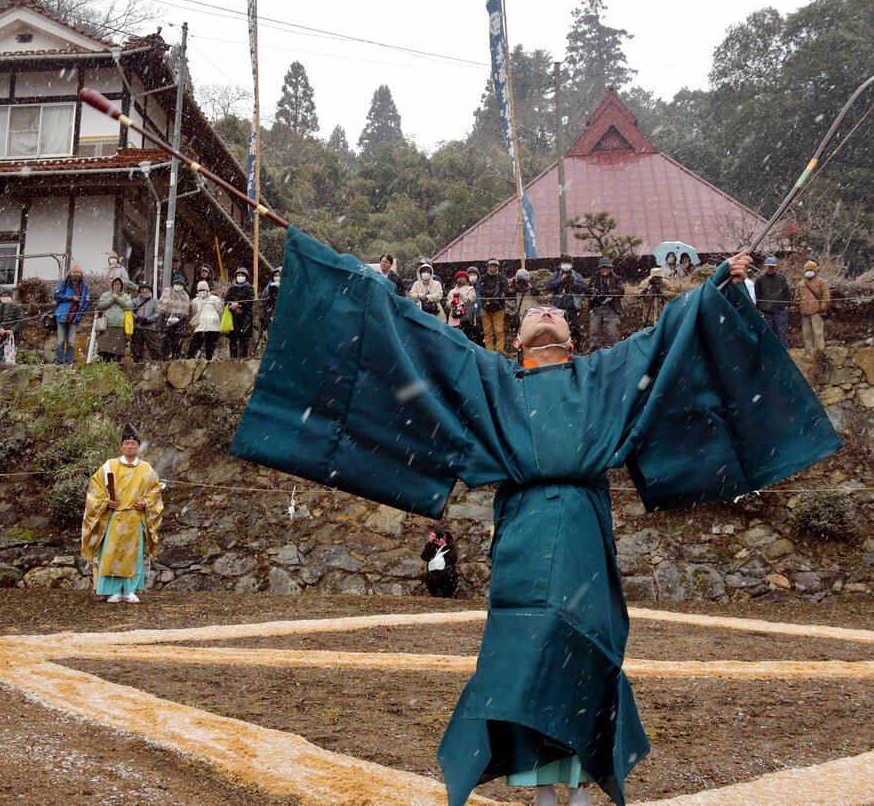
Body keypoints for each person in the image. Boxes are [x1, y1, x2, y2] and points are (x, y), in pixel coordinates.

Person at [230, 228, 840, 806]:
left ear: (574, 337)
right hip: (521, 528)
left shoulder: (603, 375)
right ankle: (545, 789)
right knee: (524, 656)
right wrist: (345, 279)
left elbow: (668, 337)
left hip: (579, 525)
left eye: (555, 313)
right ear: (513, 340)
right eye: (532, 314)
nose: (545, 313)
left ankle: (573, 786)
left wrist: (715, 289)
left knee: (577, 653)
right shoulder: (489, 379)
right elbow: (410, 335)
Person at [80, 424, 163, 604]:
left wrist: (146, 502)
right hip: (114, 517)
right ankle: (112, 591)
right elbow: (95, 488)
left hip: (135, 517)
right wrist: (105, 501)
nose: (130, 446)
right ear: (121, 447)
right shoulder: (109, 466)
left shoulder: (146, 469)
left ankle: (130, 590)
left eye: (133, 443)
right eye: (127, 443)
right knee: (111, 554)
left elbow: (155, 491)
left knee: (133, 555)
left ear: (138, 447)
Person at [53, 263, 90, 365]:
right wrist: (71, 298)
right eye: (74, 272)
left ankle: (69, 363)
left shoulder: (84, 286)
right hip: (62, 315)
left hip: (75, 317)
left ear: (81, 273)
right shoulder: (63, 283)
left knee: (71, 342)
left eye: (78, 272)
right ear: (70, 273)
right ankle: (59, 362)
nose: (76, 274)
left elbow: (87, 300)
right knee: (60, 341)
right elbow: (56, 296)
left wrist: (82, 309)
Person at [587, 257, 623, 351]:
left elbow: (621, 291)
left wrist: (608, 292)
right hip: (596, 308)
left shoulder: (616, 278)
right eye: (603, 267)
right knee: (594, 331)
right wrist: (589, 292)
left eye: (607, 267)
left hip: (611, 308)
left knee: (613, 332)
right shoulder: (594, 278)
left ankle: (616, 351)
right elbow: (588, 292)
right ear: (599, 268)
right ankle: (593, 352)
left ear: (611, 268)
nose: (605, 269)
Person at [794, 261, 830, 353]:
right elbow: (796, 298)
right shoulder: (800, 284)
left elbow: (826, 296)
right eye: (807, 270)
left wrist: (822, 308)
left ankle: (820, 353)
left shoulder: (821, 282)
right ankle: (809, 352)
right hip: (804, 312)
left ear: (815, 271)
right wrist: (799, 307)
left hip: (817, 312)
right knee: (806, 334)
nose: (809, 272)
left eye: (811, 270)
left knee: (818, 333)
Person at [754, 256, 790, 346]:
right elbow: (757, 295)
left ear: (775, 267)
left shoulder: (781, 278)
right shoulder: (760, 280)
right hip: (765, 312)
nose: (771, 268)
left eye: (772, 267)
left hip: (779, 311)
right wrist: (758, 308)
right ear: (765, 267)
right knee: (767, 335)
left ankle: (783, 355)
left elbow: (787, 293)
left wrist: (786, 305)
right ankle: (770, 354)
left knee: (782, 334)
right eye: (769, 266)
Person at [547, 259, 586, 342]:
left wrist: (572, 283)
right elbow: (549, 286)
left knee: (574, 328)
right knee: (556, 328)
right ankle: (558, 345)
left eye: (568, 263)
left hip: (572, 306)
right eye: (564, 263)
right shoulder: (556, 275)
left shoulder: (576, 275)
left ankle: (575, 346)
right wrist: (561, 280)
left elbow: (583, 288)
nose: (566, 265)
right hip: (557, 307)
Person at [95, 277, 133, 362]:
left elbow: (129, 307)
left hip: (119, 326)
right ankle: (105, 369)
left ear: (122, 285)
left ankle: (116, 370)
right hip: (107, 326)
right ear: (112, 285)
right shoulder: (105, 295)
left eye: (119, 284)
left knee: (117, 353)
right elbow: (100, 306)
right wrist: (112, 299)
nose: (117, 285)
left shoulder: (126, 296)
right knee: (105, 351)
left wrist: (118, 299)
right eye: (115, 283)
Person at [478, 258, 509, 353]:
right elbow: (481, 290)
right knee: (487, 332)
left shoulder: (502, 278)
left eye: (495, 267)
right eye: (491, 266)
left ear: (498, 267)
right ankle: (489, 351)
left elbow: (505, 291)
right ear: (488, 267)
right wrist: (494, 293)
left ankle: (500, 350)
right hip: (485, 308)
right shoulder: (483, 278)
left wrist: (492, 295)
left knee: (499, 331)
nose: (493, 269)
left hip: (498, 308)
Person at [159, 272, 192, 360]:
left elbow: (185, 312)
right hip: (167, 321)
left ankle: (175, 360)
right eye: (177, 283)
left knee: (177, 343)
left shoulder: (185, 296)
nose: (178, 286)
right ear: (173, 284)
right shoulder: (167, 292)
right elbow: (161, 307)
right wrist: (160, 324)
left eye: (181, 284)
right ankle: (164, 360)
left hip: (180, 323)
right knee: (164, 341)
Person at [225, 267, 256, 358]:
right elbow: (226, 301)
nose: (240, 277)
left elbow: (250, 301)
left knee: (244, 340)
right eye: (238, 275)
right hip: (233, 319)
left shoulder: (249, 288)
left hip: (245, 318)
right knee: (233, 340)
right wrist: (232, 307)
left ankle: (242, 360)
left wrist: (239, 305)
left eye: (242, 275)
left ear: (246, 277)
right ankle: (232, 360)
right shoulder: (231, 289)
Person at [188, 279, 224, 359]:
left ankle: (208, 364)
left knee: (210, 349)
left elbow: (220, 312)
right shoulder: (195, 301)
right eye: (200, 290)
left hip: (213, 327)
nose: (201, 291)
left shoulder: (215, 299)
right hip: (200, 327)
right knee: (193, 348)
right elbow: (195, 313)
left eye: (203, 289)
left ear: (207, 289)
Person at [420, 525, 458, 599]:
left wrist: (444, 546)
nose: (441, 538)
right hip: (432, 579)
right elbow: (425, 557)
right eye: (440, 536)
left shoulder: (450, 548)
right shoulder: (433, 548)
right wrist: (430, 542)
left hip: (445, 579)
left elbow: (453, 559)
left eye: (443, 536)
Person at [0, 287, 23, 365]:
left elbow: (20, 321)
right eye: (3, 296)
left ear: (11, 296)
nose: (5, 297)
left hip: (13, 336)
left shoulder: (17, 307)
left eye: (7, 296)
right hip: (0, 334)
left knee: (11, 355)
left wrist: (12, 330)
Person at [131, 281, 162, 362]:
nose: (144, 290)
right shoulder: (134, 301)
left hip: (150, 328)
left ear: (150, 289)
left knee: (155, 349)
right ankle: (137, 366)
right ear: (139, 290)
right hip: (137, 327)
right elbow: (129, 311)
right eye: (142, 288)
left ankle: (158, 366)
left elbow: (158, 312)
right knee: (136, 350)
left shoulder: (155, 301)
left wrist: (149, 319)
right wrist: (137, 318)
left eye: (146, 288)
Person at [505, 267, 540, 340]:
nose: (521, 281)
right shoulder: (516, 286)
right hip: (520, 313)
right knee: (521, 331)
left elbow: (537, 293)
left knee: (530, 331)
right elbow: (507, 295)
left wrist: (529, 286)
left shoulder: (530, 286)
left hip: (530, 313)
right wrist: (513, 287)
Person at [259, 267, 282, 344]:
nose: (277, 277)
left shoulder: (288, 287)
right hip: (271, 316)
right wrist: (263, 318)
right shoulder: (268, 288)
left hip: (284, 317)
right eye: (275, 275)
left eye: (279, 275)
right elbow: (263, 304)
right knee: (273, 339)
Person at [463, 265, 484, 345]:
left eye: (474, 274)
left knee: (479, 338)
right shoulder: (464, 287)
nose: (472, 276)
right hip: (467, 317)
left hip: (479, 317)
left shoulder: (481, 287)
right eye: (470, 274)